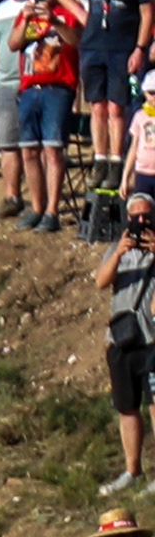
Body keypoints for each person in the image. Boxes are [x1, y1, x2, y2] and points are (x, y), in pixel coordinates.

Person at [108, 194, 155, 496]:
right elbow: (101, 281)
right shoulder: (118, 248)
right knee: (127, 407)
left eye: (146, 216)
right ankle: (132, 470)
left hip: (152, 340)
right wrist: (119, 254)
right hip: (122, 340)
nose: (140, 223)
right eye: (135, 217)